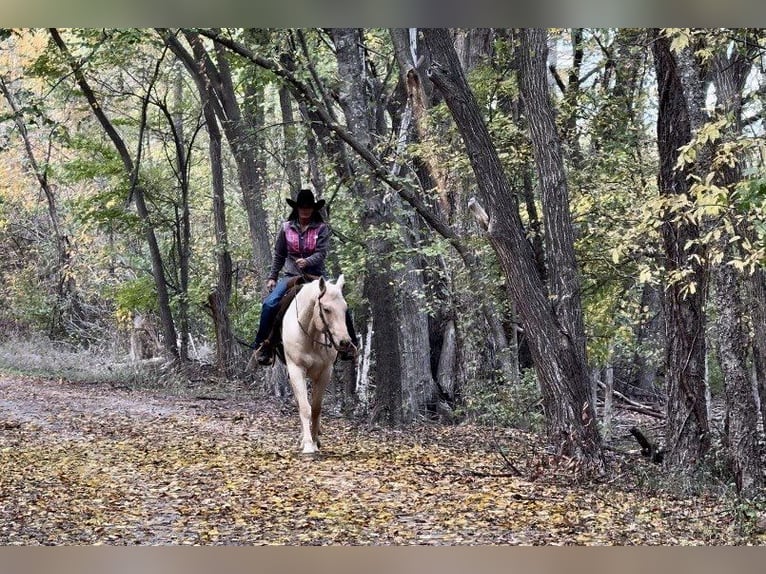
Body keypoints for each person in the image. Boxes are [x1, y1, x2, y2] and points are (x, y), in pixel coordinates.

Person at [252, 188, 357, 366]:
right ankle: (263, 344)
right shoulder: (286, 228)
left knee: (339, 304)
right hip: (291, 276)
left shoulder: (321, 229)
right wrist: (272, 276)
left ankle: (350, 344)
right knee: (269, 304)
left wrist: (307, 261)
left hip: (317, 277)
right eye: (302, 207)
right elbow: (279, 254)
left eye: (309, 207)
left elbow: (322, 253)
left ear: (314, 209)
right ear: (297, 208)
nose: (305, 210)